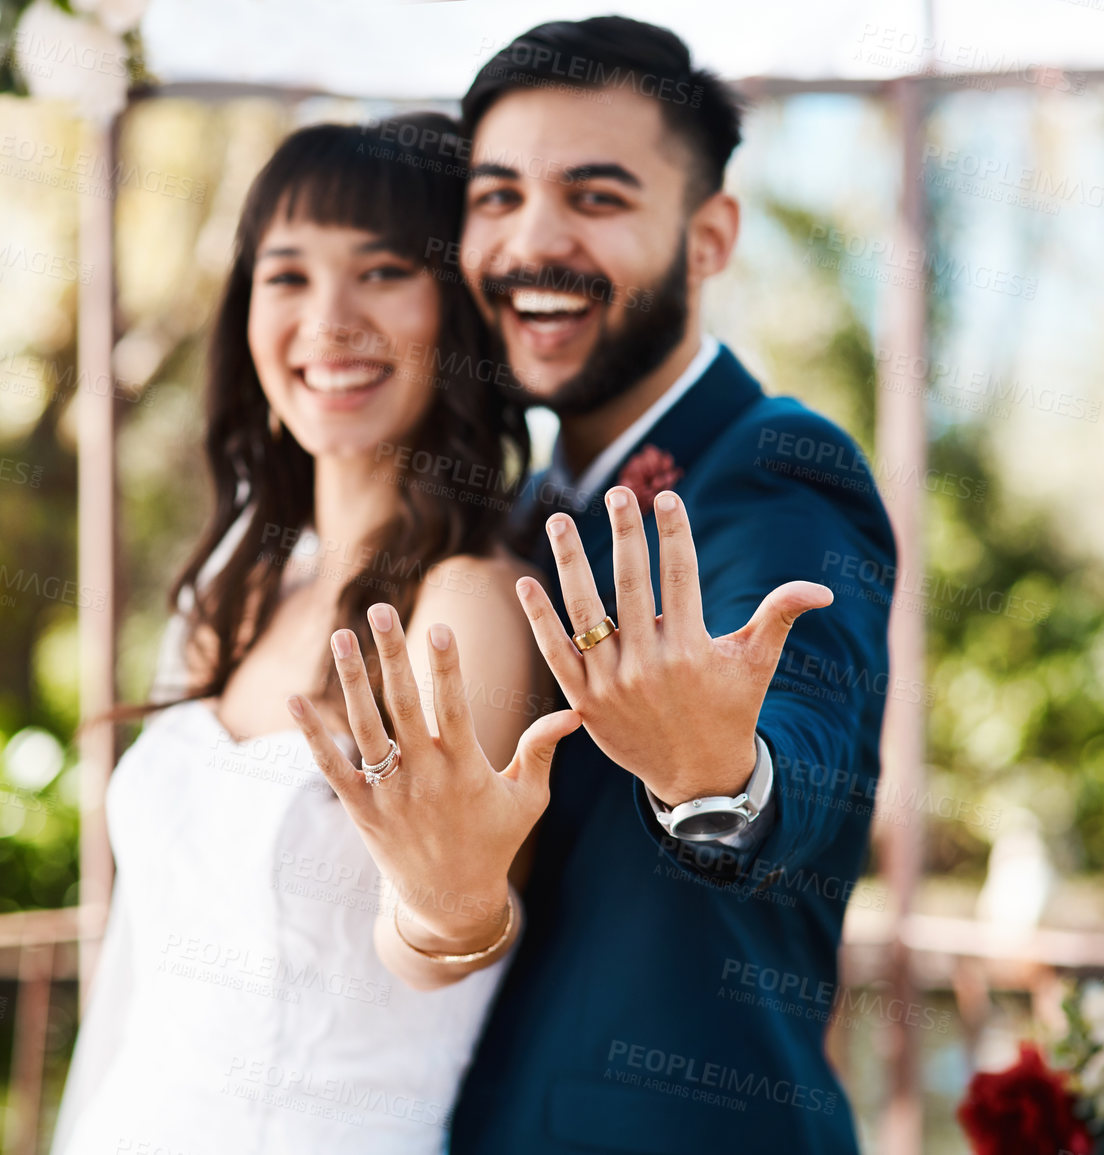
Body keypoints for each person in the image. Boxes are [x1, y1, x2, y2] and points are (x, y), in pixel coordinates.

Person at [294, 19, 898, 1155]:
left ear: (710, 237)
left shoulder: (777, 467)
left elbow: (806, 732)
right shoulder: (512, 516)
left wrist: (722, 771)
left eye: (597, 197)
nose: (535, 242)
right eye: (498, 196)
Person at [48, 113, 570, 1155]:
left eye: (382, 272)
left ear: (458, 311)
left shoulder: (466, 602)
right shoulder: (231, 595)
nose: (329, 318)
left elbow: (439, 937)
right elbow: (138, 974)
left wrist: (448, 909)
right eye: (286, 277)